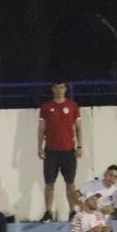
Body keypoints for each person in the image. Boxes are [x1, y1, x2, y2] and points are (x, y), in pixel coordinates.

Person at [38, 81, 83, 223]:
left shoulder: (73, 106)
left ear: (65, 89)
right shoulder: (46, 107)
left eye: (62, 87)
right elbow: (41, 129)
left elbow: (79, 128)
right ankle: (48, 212)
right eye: (56, 87)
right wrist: (39, 146)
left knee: (70, 183)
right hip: (51, 151)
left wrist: (80, 146)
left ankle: (72, 211)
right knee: (49, 183)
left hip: (68, 151)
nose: (59, 90)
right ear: (52, 89)